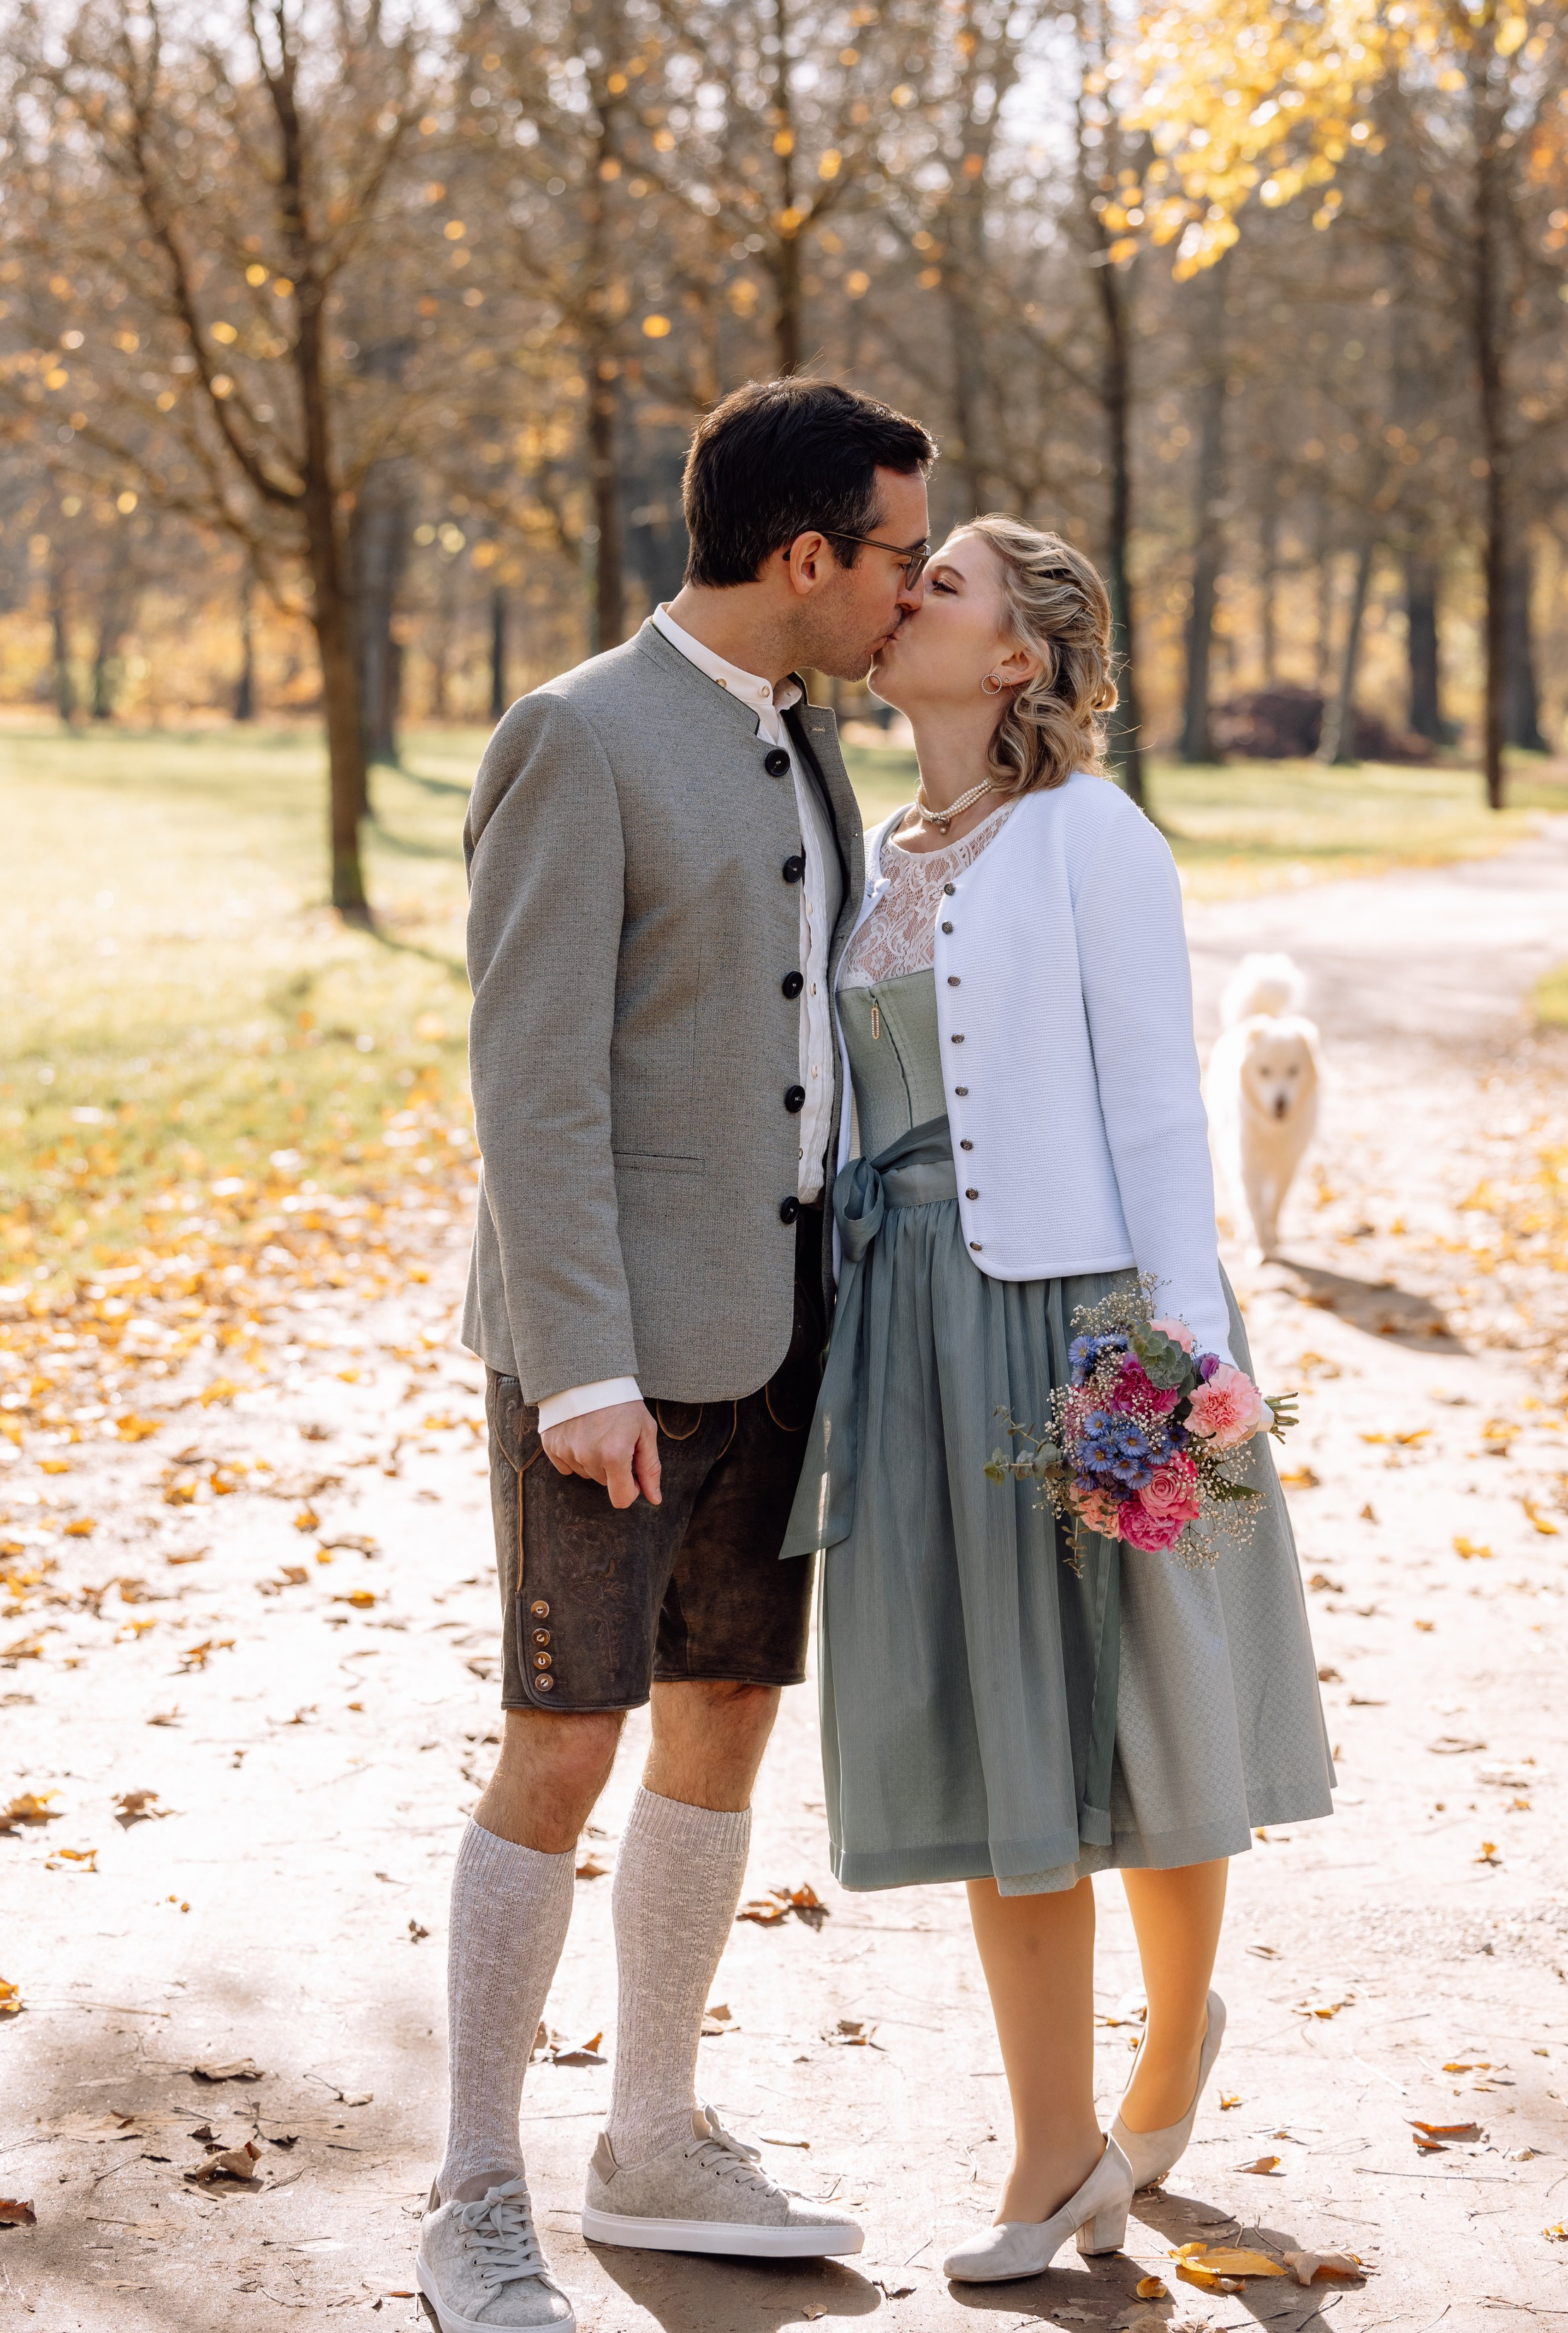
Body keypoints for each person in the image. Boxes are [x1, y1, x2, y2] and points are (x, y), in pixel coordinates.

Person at [417, 377, 938, 2333]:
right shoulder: (576, 735)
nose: (907, 591)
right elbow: (530, 1082)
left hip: (785, 1338)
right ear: (805, 554)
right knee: (568, 1735)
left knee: (726, 1716)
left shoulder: (807, 738)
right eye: (895, 556)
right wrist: (577, 1365)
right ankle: (475, 2188)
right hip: (608, 1362)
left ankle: (653, 2126)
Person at [782, 516, 1334, 2284]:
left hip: (1078, 1317)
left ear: (1015, 656)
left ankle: (1172, 2045)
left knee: (1135, 1713)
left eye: (936, 582)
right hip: (909, 1328)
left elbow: (1162, 1107)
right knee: (999, 1724)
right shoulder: (875, 849)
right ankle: (1049, 2153)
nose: (900, 597)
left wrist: (1184, 1348)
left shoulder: (1094, 835)